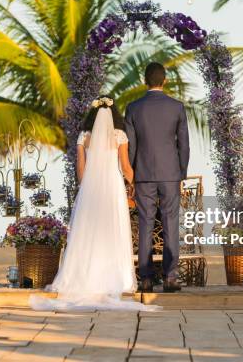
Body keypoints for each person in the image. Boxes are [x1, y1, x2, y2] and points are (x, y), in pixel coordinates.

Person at [29, 96, 158, 311]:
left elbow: (81, 171)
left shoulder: (83, 137)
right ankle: (118, 277)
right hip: (113, 188)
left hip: (90, 188)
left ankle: (84, 276)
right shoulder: (119, 135)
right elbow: (125, 167)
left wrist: (86, 186)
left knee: (87, 233)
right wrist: (135, 183)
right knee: (112, 231)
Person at [125, 62, 190, 293]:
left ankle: (146, 280)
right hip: (170, 174)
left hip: (143, 174)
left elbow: (131, 147)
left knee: (145, 224)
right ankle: (171, 278)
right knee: (171, 223)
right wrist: (181, 173)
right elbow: (184, 144)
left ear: (144, 81)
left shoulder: (133, 108)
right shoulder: (177, 107)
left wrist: (131, 176)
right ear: (165, 80)